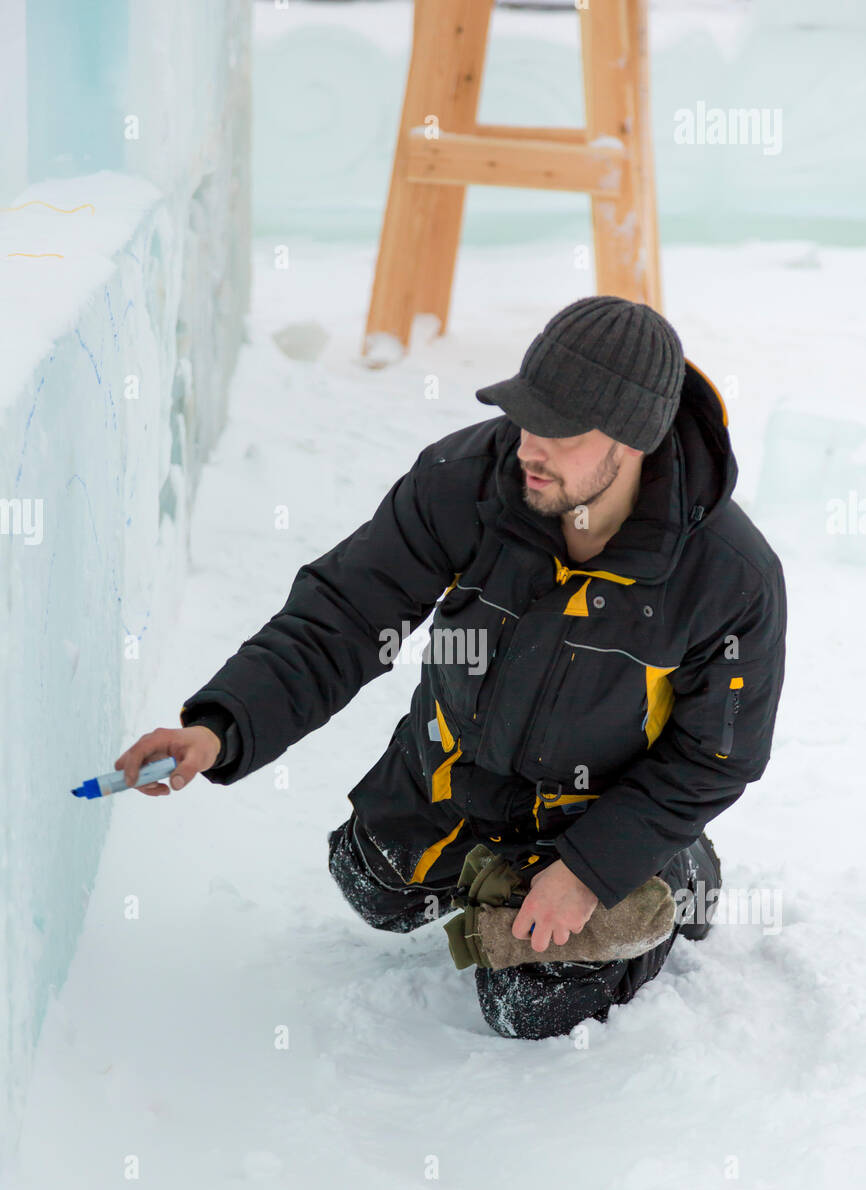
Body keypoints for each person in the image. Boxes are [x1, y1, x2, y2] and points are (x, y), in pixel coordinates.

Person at [116, 296, 786, 1040]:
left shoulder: (729, 578)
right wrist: (221, 726)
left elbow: (715, 756)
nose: (529, 444)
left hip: (596, 809)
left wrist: (593, 870)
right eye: (527, 414)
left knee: (531, 1007)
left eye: (559, 433)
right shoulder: (469, 480)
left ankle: (677, 873)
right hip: (457, 771)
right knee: (371, 887)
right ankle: (497, 869)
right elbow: (344, 617)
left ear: (631, 441)